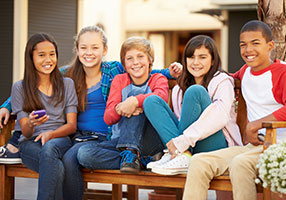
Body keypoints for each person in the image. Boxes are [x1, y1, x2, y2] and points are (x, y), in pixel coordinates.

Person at [0, 25, 181, 199]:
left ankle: (136, 156)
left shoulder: (114, 70)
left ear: (104, 49)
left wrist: (170, 72)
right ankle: (138, 158)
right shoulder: (67, 74)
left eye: (95, 47)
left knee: (71, 158)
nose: (89, 52)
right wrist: (7, 106)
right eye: (84, 47)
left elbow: (143, 69)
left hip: (109, 136)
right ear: (77, 50)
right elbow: (31, 84)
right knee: (67, 155)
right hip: (77, 136)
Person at [183, 20, 286, 200]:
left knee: (240, 164)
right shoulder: (245, 72)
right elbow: (225, 79)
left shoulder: (285, 72)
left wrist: (255, 125)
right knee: (199, 161)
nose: (248, 50)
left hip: (282, 147)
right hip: (254, 147)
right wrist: (174, 73)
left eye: (255, 43)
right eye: (243, 45)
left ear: (270, 46)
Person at [143, 35, 242, 175]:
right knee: (151, 101)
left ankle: (180, 154)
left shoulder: (222, 81)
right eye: (191, 57)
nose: (196, 62)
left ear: (213, 60)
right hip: (190, 145)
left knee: (196, 91)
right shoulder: (179, 88)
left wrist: (183, 141)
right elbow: (182, 123)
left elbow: (221, 116)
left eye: (202, 57)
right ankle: (183, 155)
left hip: (217, 146)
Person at [77, 36, 169, 175]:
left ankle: (132, 155)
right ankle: (140, 160)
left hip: (150, 141)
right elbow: (108, 118)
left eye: (140, 56)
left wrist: (134, 102)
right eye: (129, 58)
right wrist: (121, 108)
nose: (135, 62)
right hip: (120, 141)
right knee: (84, 154)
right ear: (124, 64)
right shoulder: (119, 80)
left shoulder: (158, 79)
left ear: (149, 60)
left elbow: (161, 97)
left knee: (136, 106)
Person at [11, 33, 78, 199]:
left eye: (52, 54)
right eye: (41, 55)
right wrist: (32, 123)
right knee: (58, 168)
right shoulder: (19, 88)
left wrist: (51, 134)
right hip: (30, 144)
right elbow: (25, 132)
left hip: (60, 140)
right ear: (31, 58)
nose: (48, 60)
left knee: (50, 148)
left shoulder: (67, 84)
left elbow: (71, 125)